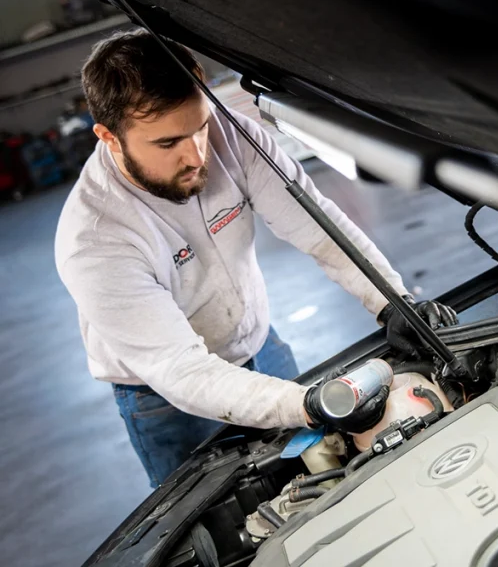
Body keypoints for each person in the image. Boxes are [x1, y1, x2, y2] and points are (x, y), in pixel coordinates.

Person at [55, 30, 457, 488]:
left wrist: (391, 301)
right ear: (109, 137)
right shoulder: (95, 240)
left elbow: (321, 229)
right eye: (168, 143)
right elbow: (182, 371)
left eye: (200, 127)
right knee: (222, 531)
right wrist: (304, 404)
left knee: (313, 479)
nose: (197, 155)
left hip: (258, 345)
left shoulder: (233, 136)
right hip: (164, 396)